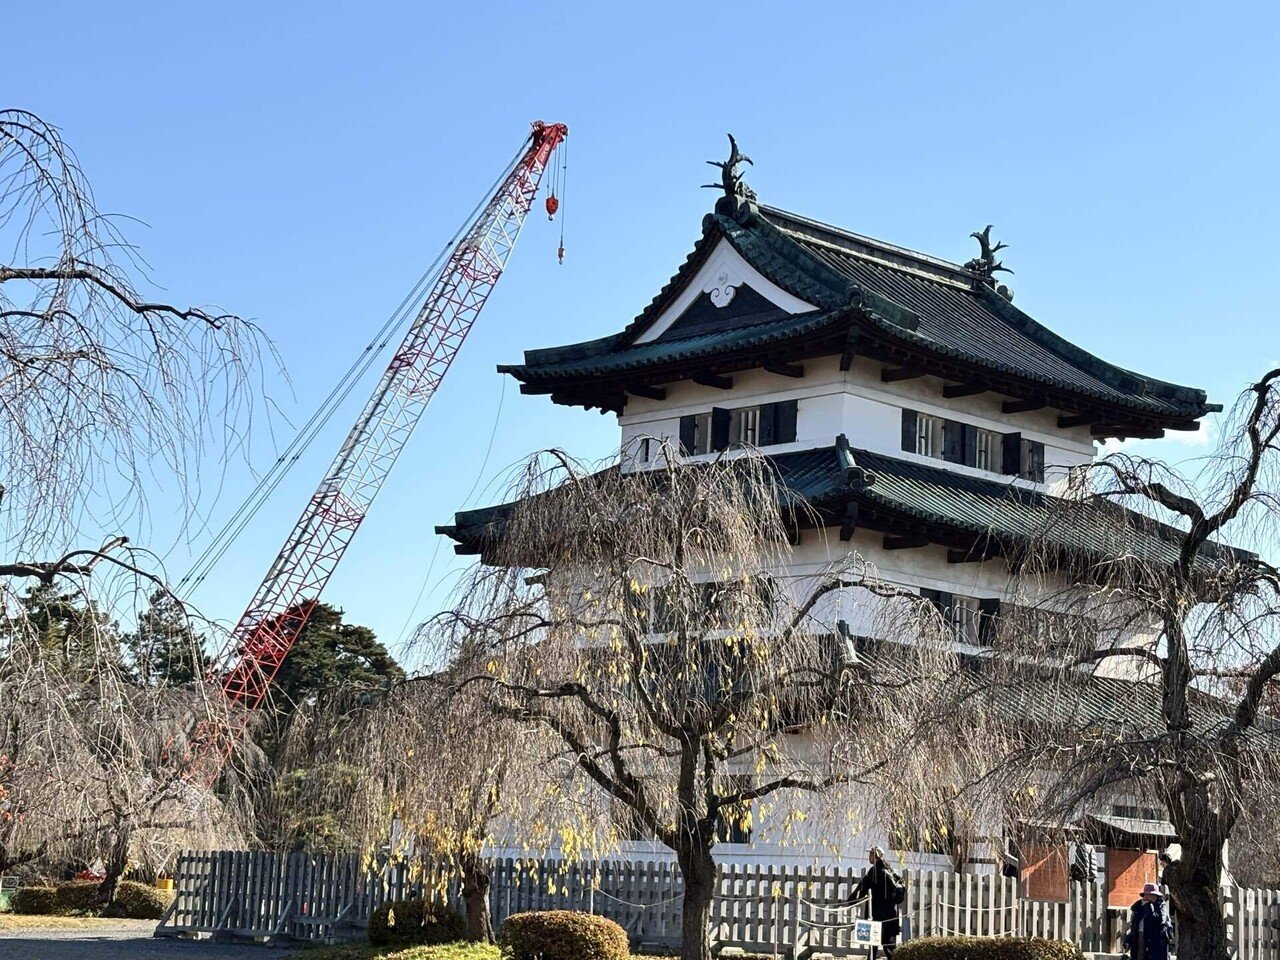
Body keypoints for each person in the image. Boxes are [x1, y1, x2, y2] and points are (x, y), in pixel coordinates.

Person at [854, 845, 904, 956]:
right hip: (889, 913)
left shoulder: (876, 872)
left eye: (871, 854)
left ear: (876, 856)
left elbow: (862, 887)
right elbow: (900, 882)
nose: (869, 857)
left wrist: (852, 900)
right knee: (885, 944)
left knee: (880, 943)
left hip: (877, 912)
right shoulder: (889, 870)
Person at [1124, 882, 1172, 960]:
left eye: (1149, 895)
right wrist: (1129, 940)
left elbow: (1159, 921)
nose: (1146, 897)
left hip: (1156, 942)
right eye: (1145, 894)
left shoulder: (1161, 905)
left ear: (1155, 895)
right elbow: (1135, 925)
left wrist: (1148, 907)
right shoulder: (1139, 906)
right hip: (1140, 939)